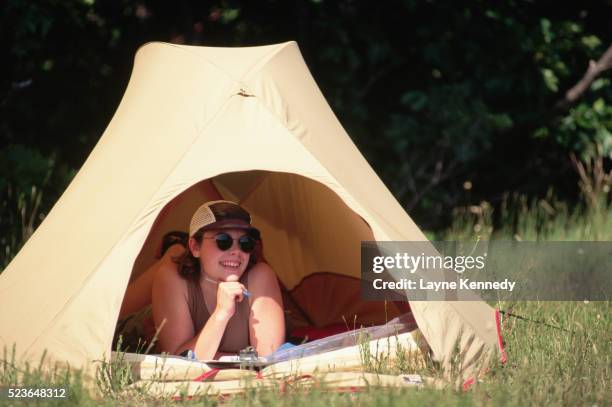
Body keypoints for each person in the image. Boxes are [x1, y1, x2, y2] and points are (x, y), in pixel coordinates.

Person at [118, 200, 285, 360]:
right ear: (195, 247)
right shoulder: (173, 278)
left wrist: (215, 355)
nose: (236, 251)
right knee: (172, 256)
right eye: (223, 241)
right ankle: (174, 247)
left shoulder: (260, 276)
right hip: (132, 327)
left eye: (245, 243)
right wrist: (222, 313)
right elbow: (180, 360)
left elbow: (268, 358)